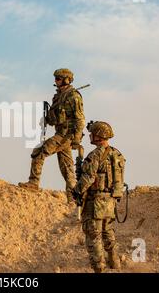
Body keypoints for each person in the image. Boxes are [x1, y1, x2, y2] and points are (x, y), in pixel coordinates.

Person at [18, 68, 85, 202]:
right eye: (55, 78)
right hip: (61, 133)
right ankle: (72, 198)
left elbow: (80, 119)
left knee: (39, 152)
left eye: (58, 78)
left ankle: (33, 182)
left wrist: (76, 140)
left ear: (66, 79)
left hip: (66, 136)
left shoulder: (73, 96)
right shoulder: (58, 96)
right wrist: (46, 118)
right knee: (67, 167)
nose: (56, 81)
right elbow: (56, 117)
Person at [72, 121, 126, 273]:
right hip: (110, 201)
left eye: (93, 133)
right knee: (108, 233)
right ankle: (115, 265)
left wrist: (76, 191)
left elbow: (88, 178)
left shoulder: (95, 155)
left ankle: (99, 269)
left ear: (99, 136)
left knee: (93, 235)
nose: (90, 135)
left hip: (95, 202)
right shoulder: (118, 154)